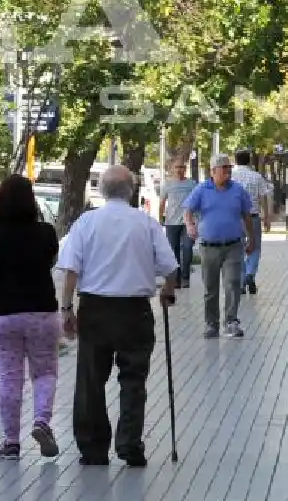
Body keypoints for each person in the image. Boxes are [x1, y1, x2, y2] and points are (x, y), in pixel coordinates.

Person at [57, 165, 178, 467]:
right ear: (131, 190)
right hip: (135, 311)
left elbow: (71, 268)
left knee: (91, 381)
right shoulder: (146, 223)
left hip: (95, 309)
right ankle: (129, 445)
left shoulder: (87, 222)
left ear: (102, 190)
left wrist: (67, 308)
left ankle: (93, 449)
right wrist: (168, 291)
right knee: (133, 380)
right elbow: (170, 267)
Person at [0, 174, 61, 460]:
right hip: (42, 312)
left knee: (9, 377)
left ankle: (11, 442)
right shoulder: (46, 233)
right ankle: (42, 422)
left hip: (3, 314)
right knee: (45, 372)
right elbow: (49, 263)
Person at [183, 154, 255, 338]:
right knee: (210, 286)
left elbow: (247, 215)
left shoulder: (238, 190)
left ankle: (231, 321)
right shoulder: (202, 189)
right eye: (224, 168)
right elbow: (188, 210)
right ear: (212, 171)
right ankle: (211, 323)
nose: (228, 172)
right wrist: (190, 225)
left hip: (233, 245)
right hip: (209, 246)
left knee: (233, 283)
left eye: (229, 168)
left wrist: (251, 238)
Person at [231, 150, 273, 294]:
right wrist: (267, 217)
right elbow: (263, 198)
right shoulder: (257, 177)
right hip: (253, 216)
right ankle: (250, 274)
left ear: (235, 160)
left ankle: (242, 281)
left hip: (235, 218)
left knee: (238, 249)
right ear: (249, 160)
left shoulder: (231, 177)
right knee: (254, 247)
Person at [158, 159, 197, 288]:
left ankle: (185, 277)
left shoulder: (192, 184)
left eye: (181, 167)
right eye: (177, 167)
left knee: (187, 248)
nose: (179, 169)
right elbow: (162, 203)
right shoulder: (167, 185)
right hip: (171, 223)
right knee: (173, 251)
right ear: (172, 169)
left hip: (188, 223)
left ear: (185, 169)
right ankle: (176, 279)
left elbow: (197, 202)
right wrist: (160, 219)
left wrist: (196, 220)